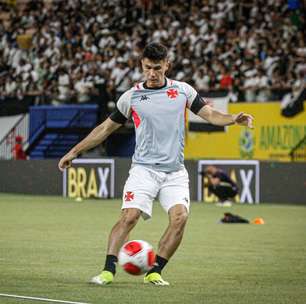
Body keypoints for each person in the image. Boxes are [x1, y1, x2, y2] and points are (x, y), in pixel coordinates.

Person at [58, 42, 254, 286]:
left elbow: (210, 114)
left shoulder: (183, 91)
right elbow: (105, 129)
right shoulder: (132, 97)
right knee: (129, 217)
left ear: (167, 66)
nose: (152, 74)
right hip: (143, 170)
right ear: (142, 65)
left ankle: (155, 271)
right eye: (148, 68)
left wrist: (233, 118)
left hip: (174, 172)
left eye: (157, 68)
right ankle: (108, 271)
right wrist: (74, 151)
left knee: (180, 218)